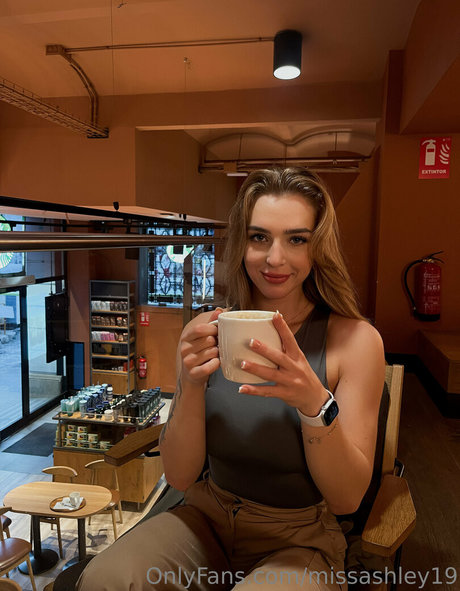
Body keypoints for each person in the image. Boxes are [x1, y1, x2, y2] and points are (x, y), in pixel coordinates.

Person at [77, 167, 385, 590]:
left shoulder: (355, 341)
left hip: (299, 536)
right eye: (259, 237)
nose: (275, 259)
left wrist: (315, 405)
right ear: (242, 243)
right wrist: (190, 383)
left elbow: (347, 498)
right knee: (107, 579)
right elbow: (180, 476)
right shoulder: (206, 330)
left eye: (296, 239)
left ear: (318, 247)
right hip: (206, 517)